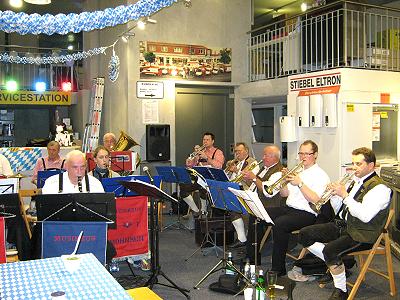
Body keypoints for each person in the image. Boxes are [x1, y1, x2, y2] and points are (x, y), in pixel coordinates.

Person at [298, 147, 391, 300]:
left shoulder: (380, 188)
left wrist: (345, 195)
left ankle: (341, 290)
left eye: (359, 164)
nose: (354, 167)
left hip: (363, 233)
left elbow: (365, 216)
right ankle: (335, 264)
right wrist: (334, 195)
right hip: (343, 224)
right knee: (304, 234)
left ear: (371, 166)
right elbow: (340, 207)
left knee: (330, 250)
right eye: (353, 163)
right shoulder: (355, 181)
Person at [255, 140, 330, 275]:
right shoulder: (299, 171)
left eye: (307, 154)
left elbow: (316, 200)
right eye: (301, 153)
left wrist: (300, 184)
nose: (303, 157)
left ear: (315, 155)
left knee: (280, 224)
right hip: (289, 208)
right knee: (257, 213)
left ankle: (278, 269)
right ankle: (252, 257)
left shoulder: (321, 175)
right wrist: (284, 181)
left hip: (307, 213)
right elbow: (285, 194)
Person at [242, 145, 286, 261]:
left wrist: (254, 178)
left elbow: (268, 192)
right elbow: (255, 185)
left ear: (275, 157)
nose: (263, 157)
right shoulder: (264, 168)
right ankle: (248, 249)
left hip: (272, 205)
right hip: (259, 201)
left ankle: (253, 257)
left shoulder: (279, 172)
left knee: (254, 216)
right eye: (264, 155)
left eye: (266, 155)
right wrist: (248, 179)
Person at [225, 142, 260, 249]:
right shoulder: (236, 162)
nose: (237, 154)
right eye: (236, 151)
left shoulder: (253, 163)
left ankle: (243, 238)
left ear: (246, 151)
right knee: (230, 208)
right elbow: (227, 177)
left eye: (239, 151)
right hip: (233, 188)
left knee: (233, 208)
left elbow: (251, 181)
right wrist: (228, 171)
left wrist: (237, 171)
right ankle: (242, 238)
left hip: (245, 190)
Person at [182, 132, 225, 215]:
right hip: (199, 178)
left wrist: (206, 158)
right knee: (183, 186)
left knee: (203, 188)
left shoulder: (218, 152)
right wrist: (190, 161)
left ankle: (203, 210)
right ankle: (195, 209)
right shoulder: (200, 152)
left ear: (212, 141)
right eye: (204, 140)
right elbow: (192, 166)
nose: (205, 142)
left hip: (212, 179)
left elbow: (219, 166)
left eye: (207, 140)